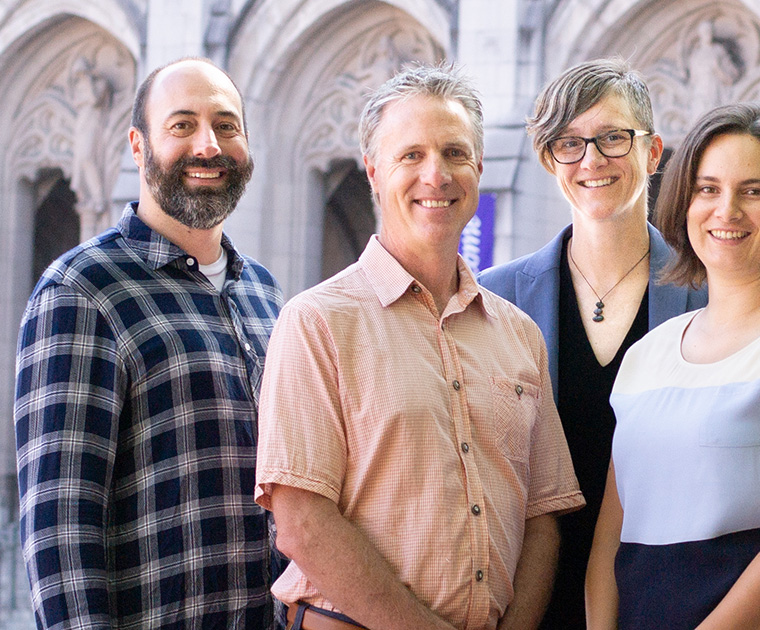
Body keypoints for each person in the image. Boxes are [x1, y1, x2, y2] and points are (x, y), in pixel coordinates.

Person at [254, 64, 584, 630]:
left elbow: (542, 516)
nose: (437, 175)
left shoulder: (518, 334)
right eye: (411, 156)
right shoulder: (316, 322)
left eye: (455, 153)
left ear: (479, 167)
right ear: (374, 171)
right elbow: (302, 522)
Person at [586, 102, 760, 630]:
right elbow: (609, 542)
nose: (727, 210)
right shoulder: (645, 356)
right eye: (708, 188)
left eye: (754, 191)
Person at [14, 58, 280, 628]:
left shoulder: (264, 292)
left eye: (226, 125)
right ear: (138, 146)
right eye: (182, 125)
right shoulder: (82, 290)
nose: (208, 145)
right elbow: (60, 528)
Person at [479, 57, 706, 627]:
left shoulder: (708, 290)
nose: (592, 160)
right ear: (548, 159)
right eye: (570, 143)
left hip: (676, 595)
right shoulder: (493, 297)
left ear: (652, 152)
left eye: (612, 137)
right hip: (530, 597)